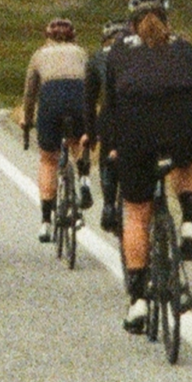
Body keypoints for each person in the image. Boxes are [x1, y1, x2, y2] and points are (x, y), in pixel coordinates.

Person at [96, 0, 192, 331]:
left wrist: (112, 146)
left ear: (131, 24)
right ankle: (188, 222)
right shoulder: (185, 47)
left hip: (137, 136)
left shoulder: (117, 51)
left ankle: (139, 301)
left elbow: (110, 106)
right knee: (185, 161)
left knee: (137, 213)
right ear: (166, 19)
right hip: (183, 132)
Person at [19, 16, 92, 242]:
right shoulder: (81, 53)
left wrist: (27, 119)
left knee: (48, 160)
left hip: (51, 97)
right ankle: (84, 181)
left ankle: (45, 222)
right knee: (78, 142)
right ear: (73, 36)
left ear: (47, 37)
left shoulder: (39, 55)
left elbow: (30, 93)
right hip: (78, 96)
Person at [88, 20, 128, 233]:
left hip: (109, 116)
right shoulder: (137, 51)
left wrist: (91, 133)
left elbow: (89, 100)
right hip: (136, 114)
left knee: (107, 159)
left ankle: (109, 205)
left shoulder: (98, 58)